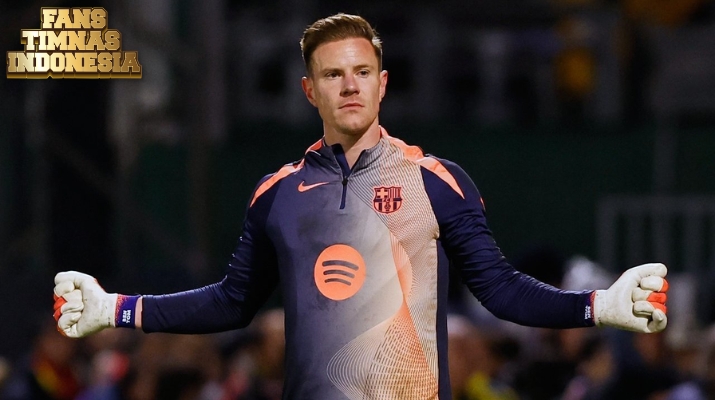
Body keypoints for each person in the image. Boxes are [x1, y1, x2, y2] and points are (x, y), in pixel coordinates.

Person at [52, 13, 669, 400]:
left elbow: (501, 291)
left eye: (362, 72)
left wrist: (600, 306)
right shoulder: (276, 194)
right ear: (309, 90)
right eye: (333, 75)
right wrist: (116, 308)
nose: (349, 85)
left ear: (382, 83)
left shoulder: (435, 182)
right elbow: (231, 302)